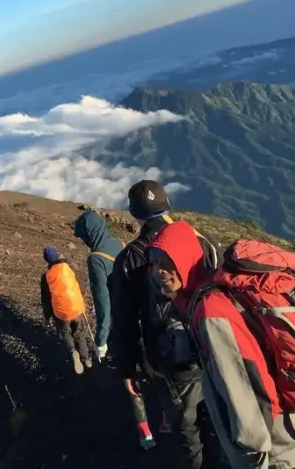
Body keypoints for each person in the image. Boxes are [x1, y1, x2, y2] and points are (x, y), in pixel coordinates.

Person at [148, 221, 295, 469]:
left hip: (278, 444)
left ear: (184, 259)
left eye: (166, 261)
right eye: (153, 263)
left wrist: (252, 459)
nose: (158, 271)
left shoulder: (210, 311)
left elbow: (242, 386)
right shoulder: (212, 288)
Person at [111, 179, 212, 462]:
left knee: (187, 429)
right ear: (167, 204)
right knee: (217, 412)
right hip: (211, 343)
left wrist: (128, 367)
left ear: (135, 214)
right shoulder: (200, 237)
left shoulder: (131, 257)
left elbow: (125, 320)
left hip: (172, 357)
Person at [73, 210, 123, 362]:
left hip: (121, 319)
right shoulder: (120, 243)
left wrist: (101, 341)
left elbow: (103, 301)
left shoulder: (96, 259)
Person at [40, 246, 93, 374]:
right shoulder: (69, 268)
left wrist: (47, 316)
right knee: (79, 332)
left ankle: (72, 351)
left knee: (65, 333)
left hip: (61, 312)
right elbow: (82, 285)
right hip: (77, 307)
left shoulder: (47, 276)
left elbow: (46, 300)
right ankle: (85, 358)